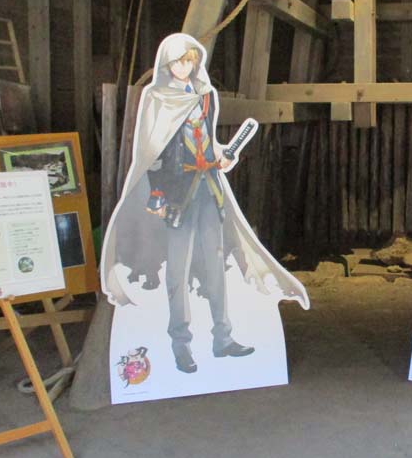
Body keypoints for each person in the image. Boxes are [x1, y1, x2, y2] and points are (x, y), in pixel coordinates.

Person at [101, 33, 308, 376]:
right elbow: (150, 152)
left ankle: (222, 338)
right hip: (177, 192)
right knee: (177, 270)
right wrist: (157, 194)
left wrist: (224, 155)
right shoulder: (156, 97)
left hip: (209, 188)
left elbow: (208, 141)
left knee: (215, 265)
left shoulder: (205, 95)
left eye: (190, 61)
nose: (185, 67)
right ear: (168, 64)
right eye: (179, 61)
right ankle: (180, 345)